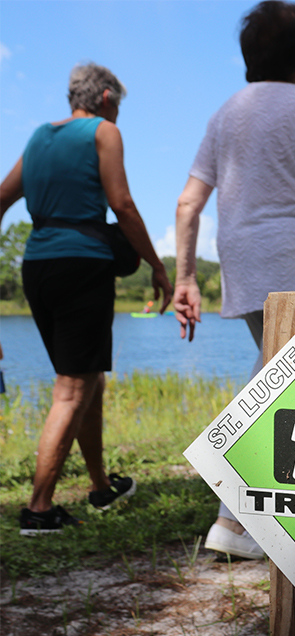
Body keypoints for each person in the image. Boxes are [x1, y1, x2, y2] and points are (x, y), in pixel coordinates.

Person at [172, 0, 295, 560]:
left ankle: (289, 515)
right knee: (290, 380)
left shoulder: (225, 114)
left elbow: (189, 203)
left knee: (286, 376)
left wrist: (186, 277)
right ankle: (234, 520)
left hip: (244, 257)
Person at [0, 63, 173, 535]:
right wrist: (157, 266)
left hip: (37, 267)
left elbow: (0, 199)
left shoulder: (38, 136)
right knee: (72, 389)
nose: (118, 113)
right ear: (105, 98)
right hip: (83, 265)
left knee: (87, 378)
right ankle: (39, 509)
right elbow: (123, 204)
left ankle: (100, 486)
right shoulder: (103, 132)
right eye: (118, 103)